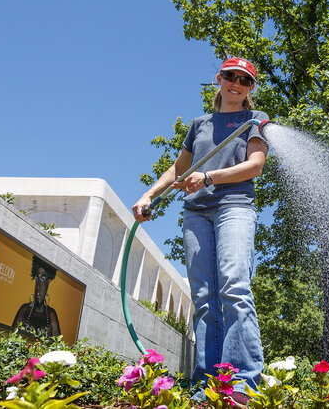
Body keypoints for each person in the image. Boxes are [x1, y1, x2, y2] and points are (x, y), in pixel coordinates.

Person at [133, 57, 268, 402]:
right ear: (218, 79)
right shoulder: (200, 124)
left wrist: (208, 177)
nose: (236, 84)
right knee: (205, 300)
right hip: (196, 214)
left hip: (234, 207)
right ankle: (206, 384)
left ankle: (241, 382)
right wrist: (149, 194)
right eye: (230, 77)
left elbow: (255, 166)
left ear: (251, 88)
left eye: (245, 80)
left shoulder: (256, 120)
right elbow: (178, 169)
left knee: (234, 286)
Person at [12, 256, 61, 338]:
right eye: (37, 280)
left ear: (48, 282)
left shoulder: (51, 314)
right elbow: (10, 337)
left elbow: (57, 346)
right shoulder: (24, 310)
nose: (38, 286)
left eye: (43, 279)